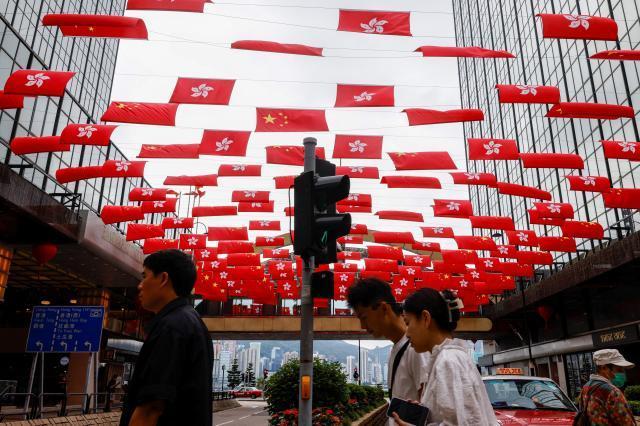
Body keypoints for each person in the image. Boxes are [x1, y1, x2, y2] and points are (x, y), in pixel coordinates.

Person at [119, 249, 213, 426]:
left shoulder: (172, 327)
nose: (139, 285)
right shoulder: (191, 321)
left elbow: (151, 408)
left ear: (163, 279)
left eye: (145, 276)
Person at [391, 288, 497, 426]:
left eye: (408, 323)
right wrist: (427, 412)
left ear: (425, 318)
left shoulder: (448, 361)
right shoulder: (450, 357)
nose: (408, 333)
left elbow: (464, 423)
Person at [347, 278, 428, 418]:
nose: (362, 326)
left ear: (384, 308)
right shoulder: (396, 349)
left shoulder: (416, 349)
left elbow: (428, 409)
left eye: (364, 317)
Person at [577, 348, 635, 425]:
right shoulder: (612, 392)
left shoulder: (586, 388)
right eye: (619, 370)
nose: (623, 373)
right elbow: (627, 423)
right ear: (603, 368)